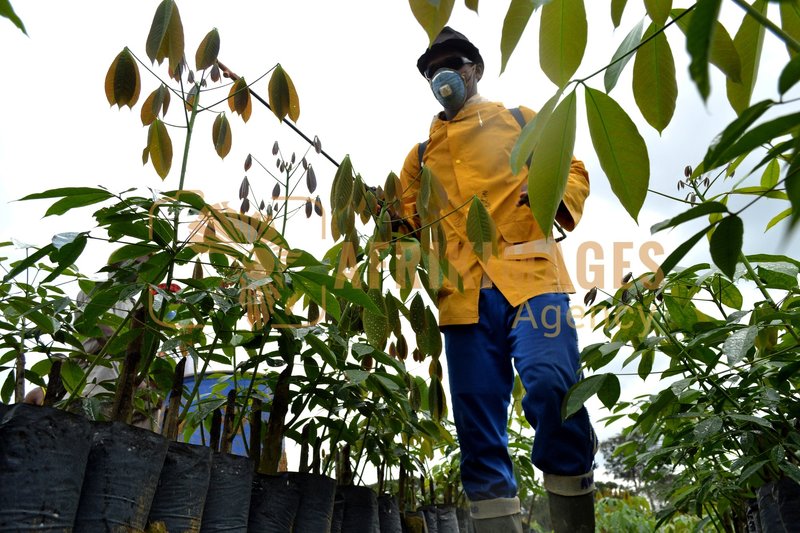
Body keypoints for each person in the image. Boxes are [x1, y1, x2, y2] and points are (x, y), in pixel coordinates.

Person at [397, 27, 597, 532]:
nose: (442, 74)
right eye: (431, 68)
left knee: (554, 384)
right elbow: (402, 223)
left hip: (533, 282)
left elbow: (573, 168)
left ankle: (574, 517)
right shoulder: (420, 157)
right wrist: (383, 219)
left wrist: (553, 198)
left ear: (476, 69)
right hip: (462, 299)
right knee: (477, 429)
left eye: (454, 61)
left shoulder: (520, 120)